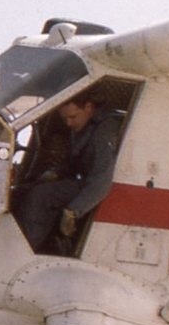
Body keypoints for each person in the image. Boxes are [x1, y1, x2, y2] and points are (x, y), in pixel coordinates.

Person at [12, 82, 124, 254]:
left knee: (42, 196)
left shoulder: (103, 132)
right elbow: (74, 160)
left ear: (88, 107)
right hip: (83, 183)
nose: (68, 124)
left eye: (72, 117)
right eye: (65, 119)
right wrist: (55, 173)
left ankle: (23, 251)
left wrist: (74, 211)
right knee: (23, 190)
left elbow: (101, 179)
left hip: (94, 187)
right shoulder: (84, 125)